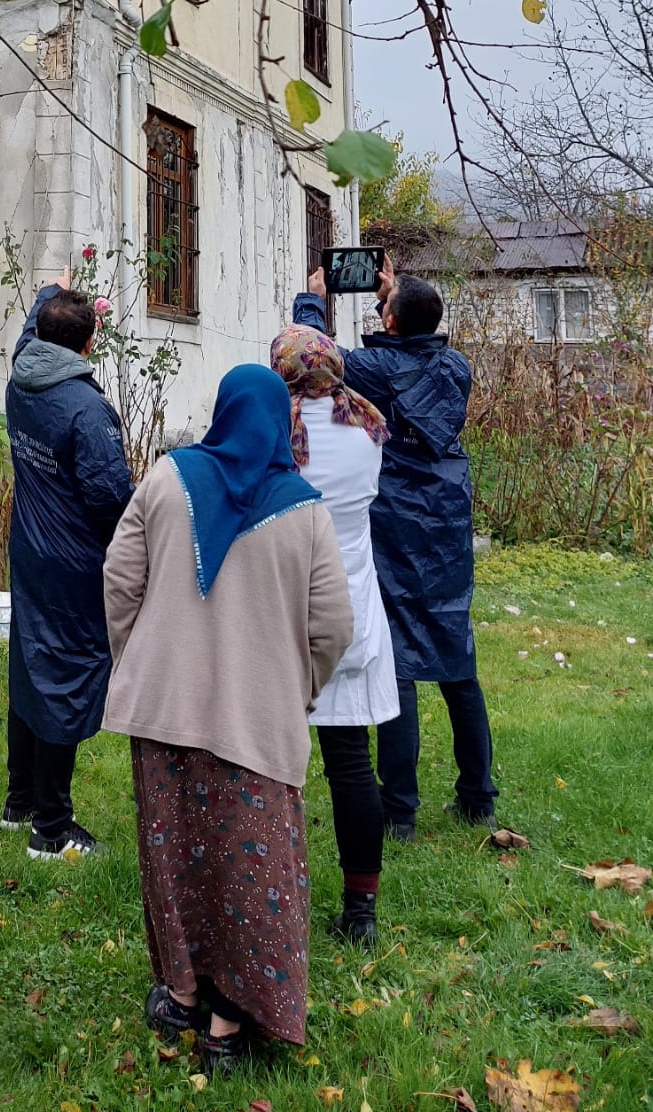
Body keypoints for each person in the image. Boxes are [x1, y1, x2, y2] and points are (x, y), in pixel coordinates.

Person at [103, 366, 353, 1077]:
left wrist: (142, 660)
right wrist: (291, 687)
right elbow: (332, 626)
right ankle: (226, 1023)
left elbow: (120, 580)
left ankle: (181, 991)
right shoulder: (304, 510)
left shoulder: (165, 478)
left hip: (164, 711)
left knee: (173, 853)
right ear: (282, 421)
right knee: (256, 870)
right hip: (255, 721)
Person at [293, 265, 498, 840]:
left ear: (388, 321)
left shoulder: (376, 370)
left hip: (400, 519)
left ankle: (400, 810)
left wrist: (314, 301)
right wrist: (397, 299)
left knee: (400, 658)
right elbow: (422, 337)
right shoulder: (456, 367)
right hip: (448, 516)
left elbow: (316, 361)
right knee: (458, 657)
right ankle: (478, 796)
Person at [270, 323, 398, 947]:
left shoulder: (277, 438)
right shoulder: (365, 430)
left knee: (271, 766)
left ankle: (271, 894)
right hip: (350, 610)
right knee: (351, 765)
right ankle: (361, 909)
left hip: (284, 608)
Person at [3, 276, 134, 858]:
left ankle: (20, 799)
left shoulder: (21, 378)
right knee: (63, 676)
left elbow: (32, 329)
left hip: (30, 549)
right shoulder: (86, 407)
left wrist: (52, 289)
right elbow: (111, 497)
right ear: (89, 342)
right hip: (75, 562)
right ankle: (51, 829)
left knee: (31, 662)